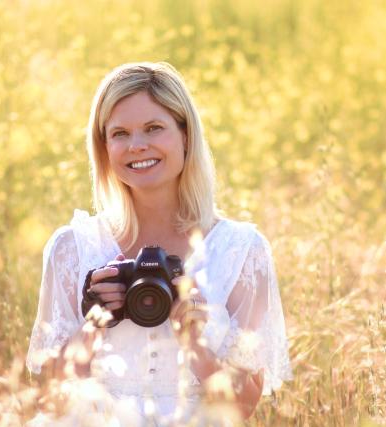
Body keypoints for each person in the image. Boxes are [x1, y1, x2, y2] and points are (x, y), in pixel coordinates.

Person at [26, 62, 292, 426]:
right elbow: (52, 398)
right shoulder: (73, 248)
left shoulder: (240, 251)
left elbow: (243, 408)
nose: (137, 146)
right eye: (120, 133)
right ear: (104, 147)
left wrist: (197, 339)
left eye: (154, 128)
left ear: (185, 135)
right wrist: (93, 323)